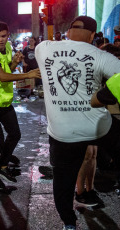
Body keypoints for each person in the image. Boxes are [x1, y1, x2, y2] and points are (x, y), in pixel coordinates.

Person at [35, 16, 120, 230]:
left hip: (63, 133)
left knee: (63, 181)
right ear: (93, 35)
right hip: (98, 126)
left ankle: (69, 223)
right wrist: (103, 96)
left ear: (69, 30)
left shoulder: (43, 48)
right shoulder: (101, 56)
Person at [0, 21, 41, 192]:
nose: (0, 39)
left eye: (3, 36)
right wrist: (27, 74)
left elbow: (8, 70)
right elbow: (3, 77)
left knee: (15, 134)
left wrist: (14, 62)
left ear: (8, 35)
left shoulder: (8, 48)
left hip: (3, 100)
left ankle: (3, 165)